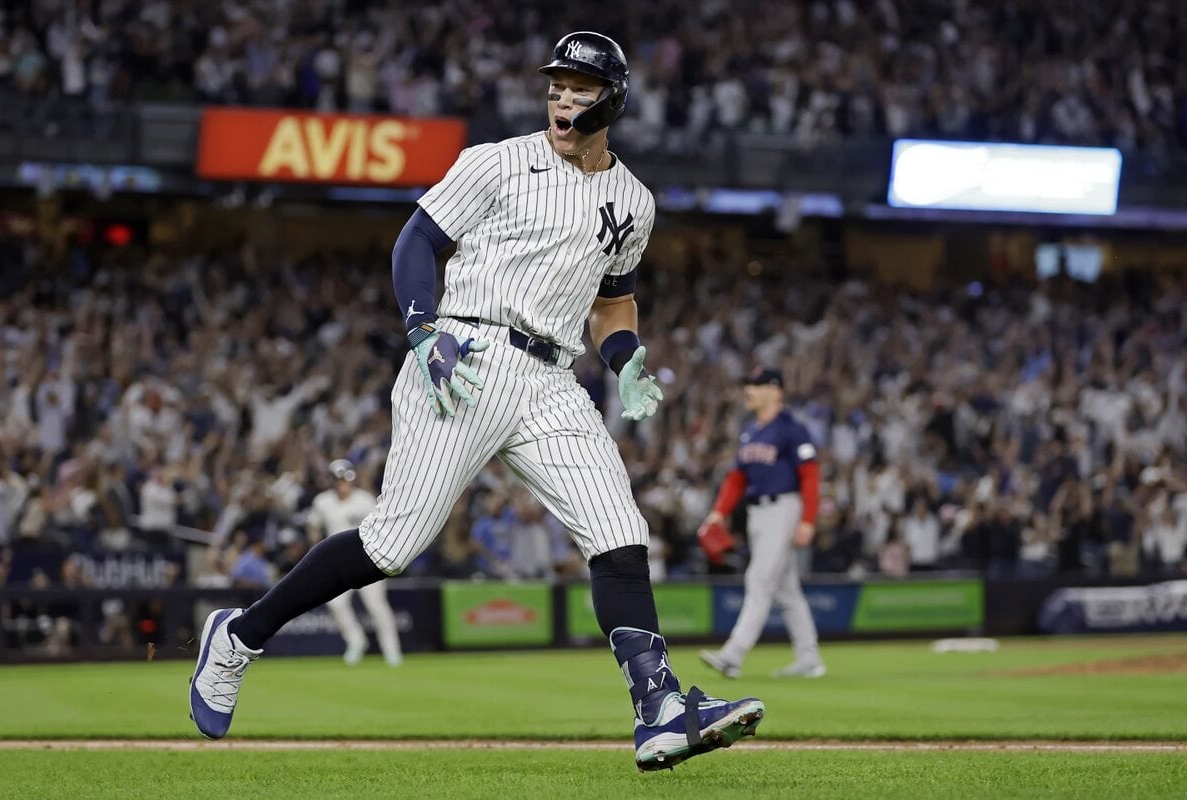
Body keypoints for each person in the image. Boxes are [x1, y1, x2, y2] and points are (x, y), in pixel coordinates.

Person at [188, 31, 763, 771]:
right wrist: (423, 331)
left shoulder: (634, 201)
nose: (561, 98)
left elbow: (612, 304)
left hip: (553, 377)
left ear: (611, 98)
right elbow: (415, 244)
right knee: (390, 545)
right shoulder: (497, 160)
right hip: (465, 353)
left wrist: (626, 361)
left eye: (579, 88)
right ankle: (239, 636)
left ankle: (657, 709)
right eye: (556, 85)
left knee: (621, 532)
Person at [698, 367, 826, 679]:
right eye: (748, 384)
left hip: (783, 507)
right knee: (786, 590)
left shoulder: (792, 428)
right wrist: (719, 511)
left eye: (756, 385)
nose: (749, 390)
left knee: (758, 580)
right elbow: (736, 478)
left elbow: (810, 476)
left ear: (776, 390)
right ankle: (809, 659)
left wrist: (808, 520)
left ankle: (733, 654)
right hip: (757, 514)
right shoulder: (750, 431)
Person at [306, 459, 402, 667]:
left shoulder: (364, 500)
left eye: (347, 480)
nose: (344, 485)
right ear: (332, 481)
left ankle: (392, 651)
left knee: (377, 606)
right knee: (336, 603)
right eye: (340, 481)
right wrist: (315, 550)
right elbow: (313, 526)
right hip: (338, 562)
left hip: (368, 559)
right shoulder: (323, 502)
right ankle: (356, 641)